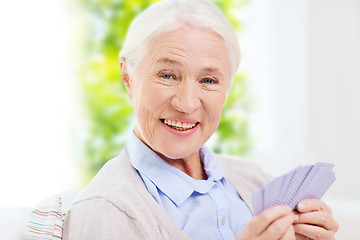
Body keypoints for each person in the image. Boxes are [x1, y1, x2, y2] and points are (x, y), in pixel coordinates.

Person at [63, 0, 339, 239]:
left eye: (208, 80)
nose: (186, 103)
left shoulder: (256, 180)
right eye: (167, 75)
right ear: (128, 77)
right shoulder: (103, 210)